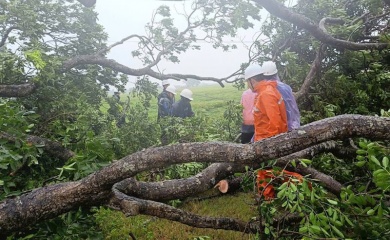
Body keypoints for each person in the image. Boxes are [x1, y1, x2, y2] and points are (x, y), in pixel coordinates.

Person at [244, 64, 288, 141]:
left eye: (247, 82)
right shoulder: (265, 91)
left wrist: (270, 144)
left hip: (267, 141)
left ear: (252, 81)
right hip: (264, 139)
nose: (248, 86)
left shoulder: (266, 94)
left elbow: (275, 123)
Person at [262, 61, 301, 131]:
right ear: (276, 73)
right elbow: (293, 107)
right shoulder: (286, 88)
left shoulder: (263, 90)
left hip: (276, 130)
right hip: (292, 125)